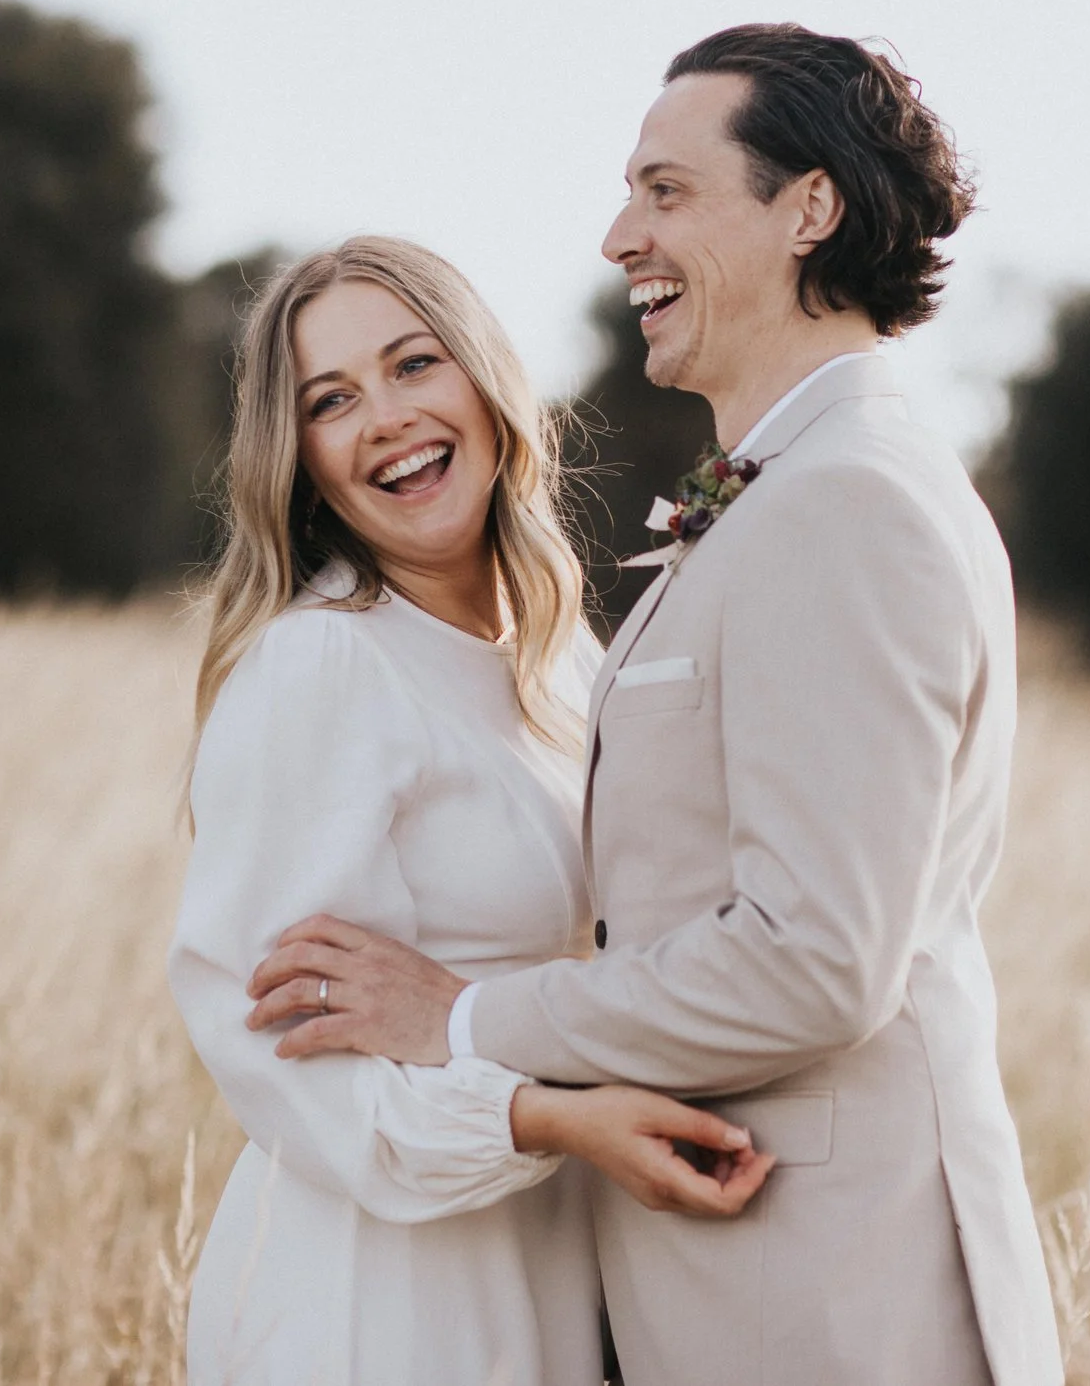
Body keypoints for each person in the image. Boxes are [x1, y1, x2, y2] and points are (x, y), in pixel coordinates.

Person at [243, 27, 1068, 1386]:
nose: (622, 232)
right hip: (740, 1274)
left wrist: (463, 1016)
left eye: (667, 189)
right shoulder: (797, 486)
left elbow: (815, 960)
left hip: (827, 1295)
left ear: (810, 207)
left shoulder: (846, 501)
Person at [167, 235, 773, 1386]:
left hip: (560, 1265)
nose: (385, 416)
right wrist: (551, 1118)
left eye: (413, 364)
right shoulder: (319, 667)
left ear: (488, 383)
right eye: (331, 399)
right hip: (374, 1297)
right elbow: (281, 1055)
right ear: (297, 457)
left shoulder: (565, 666)